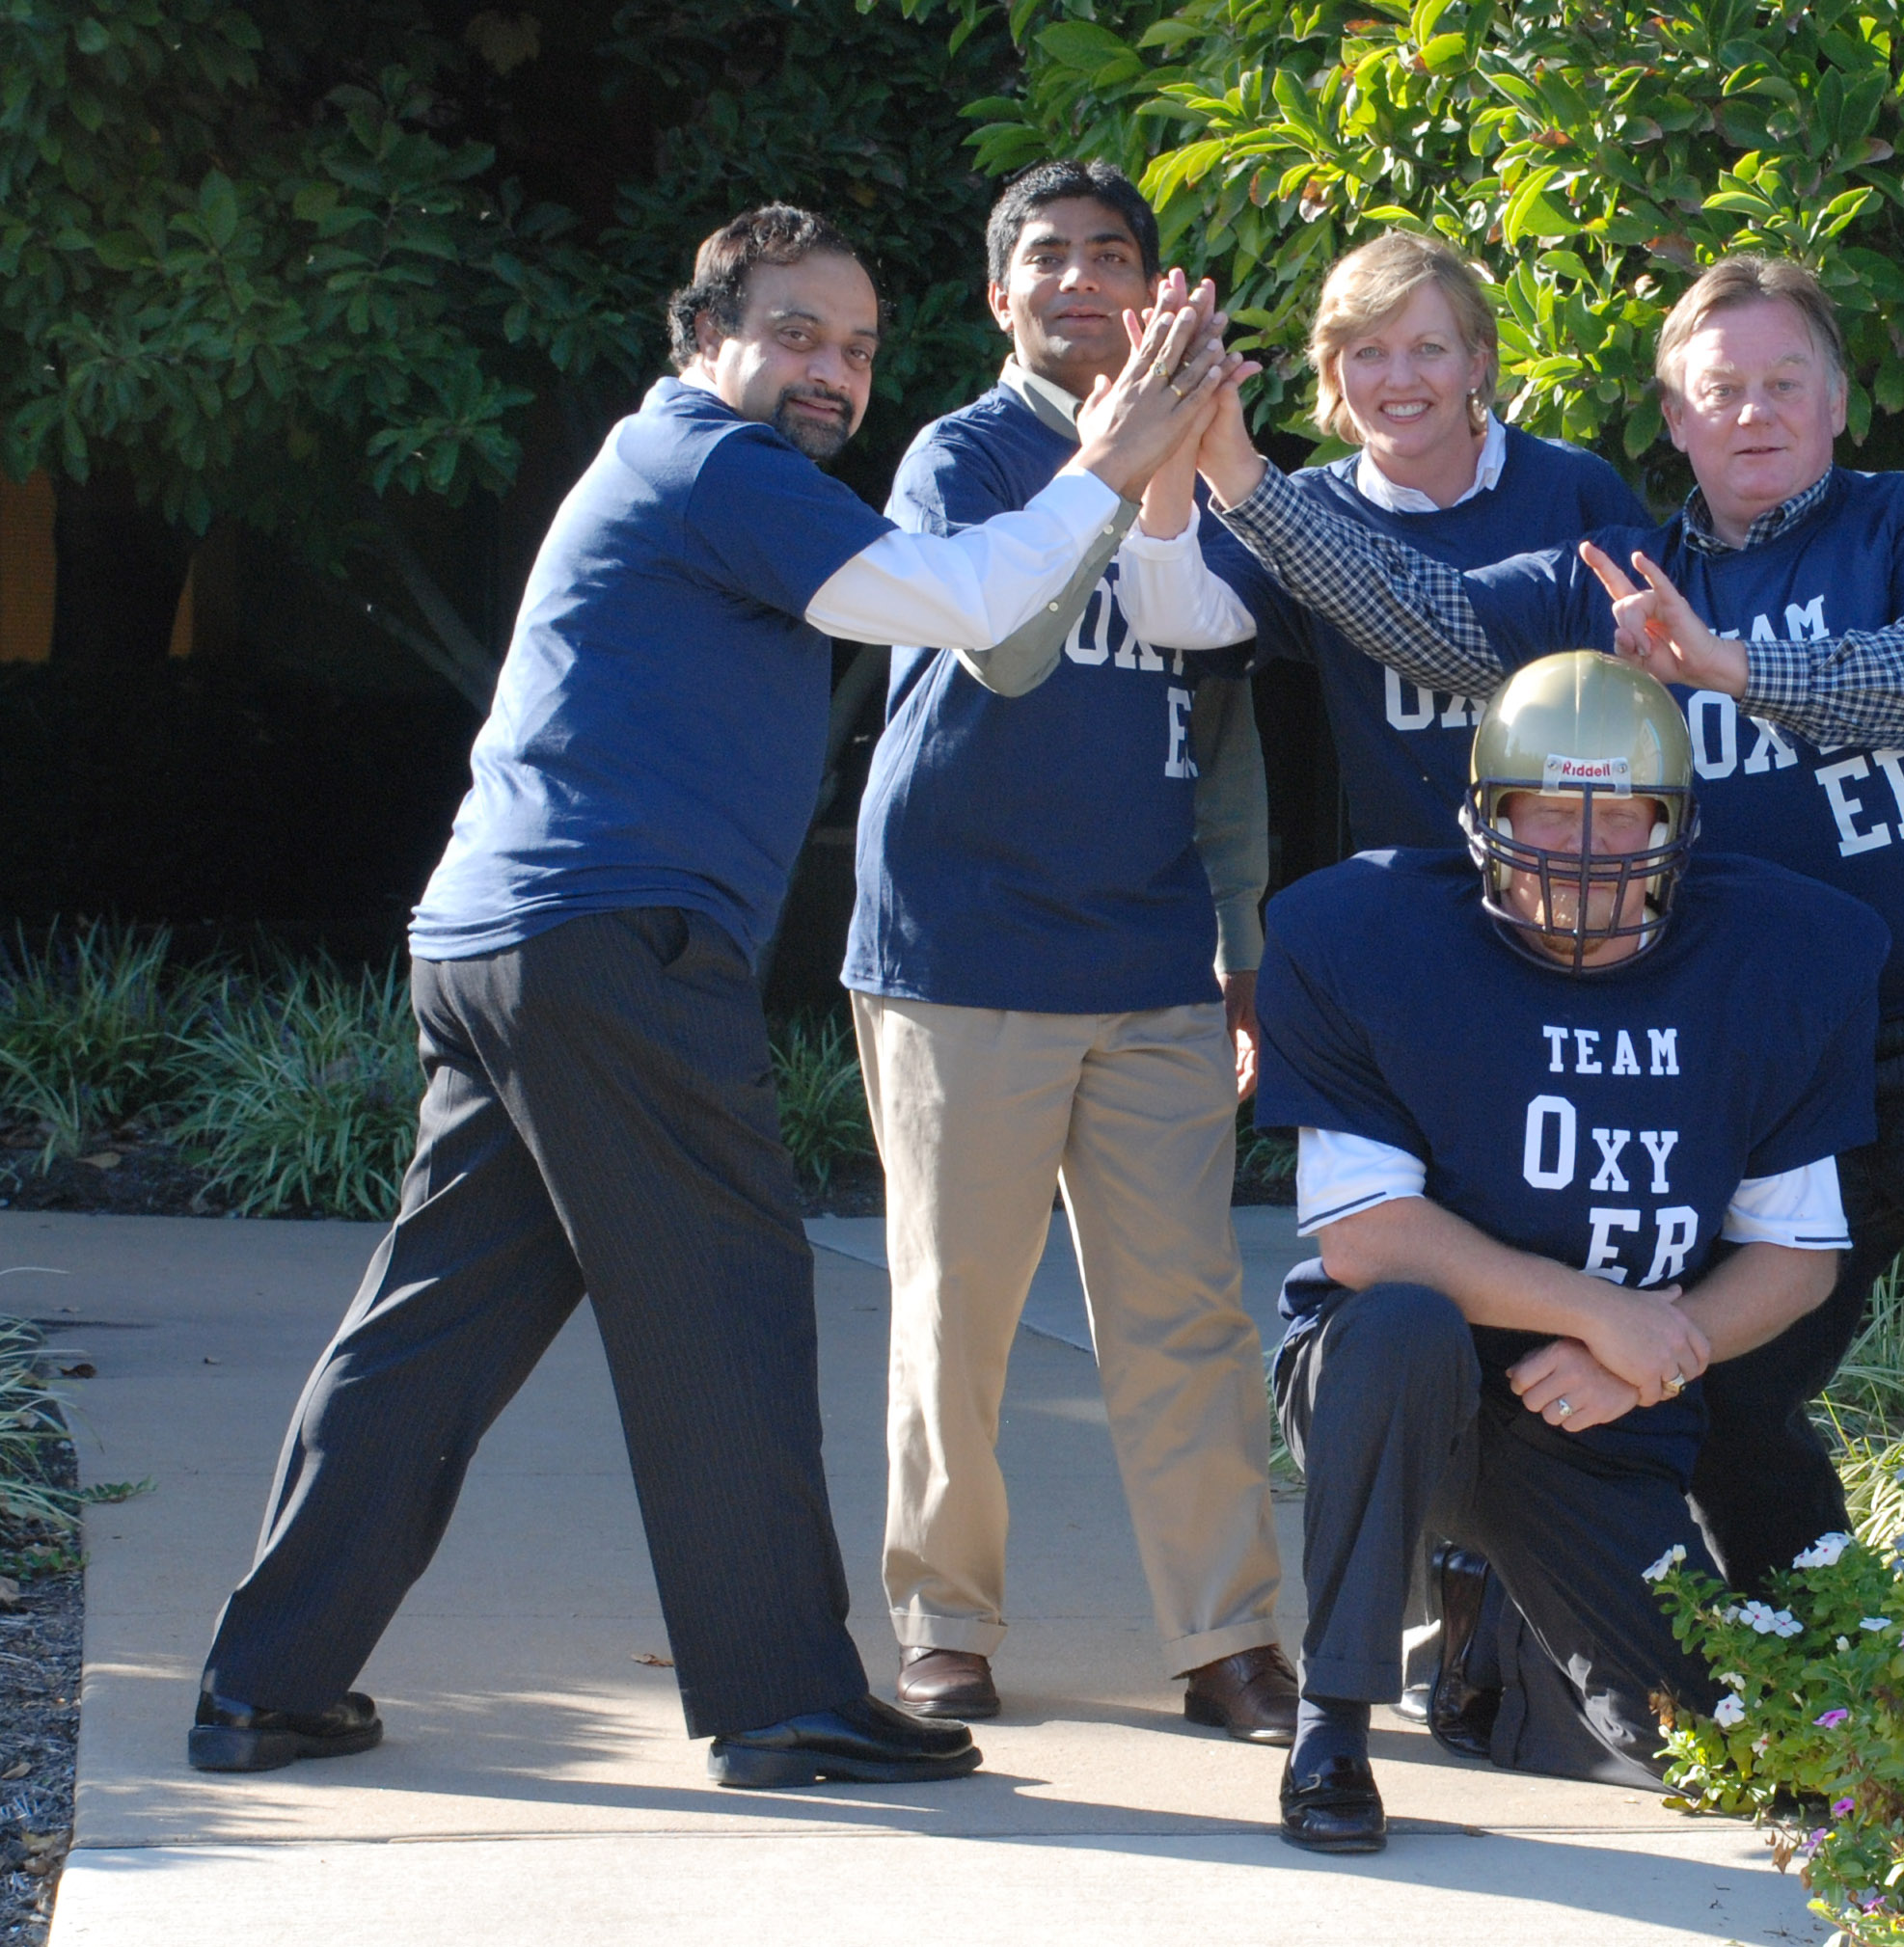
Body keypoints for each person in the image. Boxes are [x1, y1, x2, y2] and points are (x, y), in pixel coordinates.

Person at [189, 203, 1230, 1789]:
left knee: (432, 1332)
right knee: (729, 1309)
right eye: (797, 334)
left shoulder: (702, 475)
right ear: (702, 339)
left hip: (498, 941)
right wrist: (1115, 454)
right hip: (613, 945)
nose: (833, 370)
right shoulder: (710, 462)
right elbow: (960, 601)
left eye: (861, 347)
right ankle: (783, 1698)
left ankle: (268, 1680)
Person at [1192, 251, 1904, 1599]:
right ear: (1671, 419)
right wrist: (1239, 479)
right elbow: (1432, 626)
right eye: (1718, 388)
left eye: (1783, 383)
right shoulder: (1616, 575)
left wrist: (1727, 667)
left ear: (1837, 400)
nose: (1754, 411)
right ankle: (1803, 1643)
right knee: (1714, 1366)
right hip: (1787, 1051)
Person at [1258, 651, 1885, 1852]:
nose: (1581, 850)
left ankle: (1499, 1662)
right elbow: (1364, 1238)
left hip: (1596, 1416)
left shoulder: (1778, 957)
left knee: (1726, 1752)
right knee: (1399, 1324)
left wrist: (1648, 1357)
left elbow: (1793, 1257)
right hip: (1403, 1391)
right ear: (1487, 817)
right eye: (1547, 812)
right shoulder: (1367, 931)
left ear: (1673, 825)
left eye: (1619, 817)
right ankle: (1331, 1719)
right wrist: (1607, 1309)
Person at [844, 161, 1295, 1740]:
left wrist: (1243, 947)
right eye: (1050, 258)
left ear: (1159, 290)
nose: (1084, 279)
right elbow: (1011, 644)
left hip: (1154, 952)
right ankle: (944, 1623)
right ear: (1001, 296)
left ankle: (1229, 1637)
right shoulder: (959, 455)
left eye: (1116, 254)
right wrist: (1119, 468)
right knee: (958, 1310)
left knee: (1187, 1313)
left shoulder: (1226, 471)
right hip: (961, 944)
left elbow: (1227, 734)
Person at [1118, 230, 1647, 852]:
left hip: (1583, 888)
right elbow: (1174, 618)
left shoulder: (1572, 486)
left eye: (1429, 348)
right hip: (1410, 889)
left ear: (1477, 361)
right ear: (1333, 370)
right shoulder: (1309, 508)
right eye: (1368, 352)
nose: (1400, 379)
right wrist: (1175, 438)